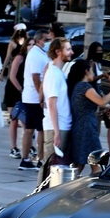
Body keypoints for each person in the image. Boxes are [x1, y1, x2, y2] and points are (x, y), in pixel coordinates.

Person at [67, 59, 110, 174]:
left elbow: (85, 108)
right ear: (86, 71)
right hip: (87, 129)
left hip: (82, 127)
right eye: (92, 70)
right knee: (96, 164)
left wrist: (102, 113)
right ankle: (90, 190)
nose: (93, 73)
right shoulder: (84, 86)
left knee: (80, 164)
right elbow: (102, 102)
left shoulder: (78, 86)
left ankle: (66, 188)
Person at [39, 37, 74, 183]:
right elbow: (52, 104)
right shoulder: (53, 73)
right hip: (57, 127)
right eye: (68, 49)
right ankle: (40, 198)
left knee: (57, 167)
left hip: (61, 125)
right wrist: (57, 132)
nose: (71, 52)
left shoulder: (58, 72)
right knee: (50, 167)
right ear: (58, 52)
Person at [20, 29, 52, 170]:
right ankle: (40, 159)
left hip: (30, 96)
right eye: (46, 40)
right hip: (34, 97)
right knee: (40, 129)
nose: (48, 43)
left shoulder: (38, 53)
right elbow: (35, 77)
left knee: (30, 129)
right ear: (39, 40)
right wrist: (42, 96)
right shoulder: (36, 55)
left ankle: (26, 159)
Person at [7, 37, 35, 159]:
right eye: (29, 45)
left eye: (33, 45)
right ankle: (14, 148)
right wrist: (20, 90)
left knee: (25, 121)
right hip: (14, 91)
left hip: (26, 92)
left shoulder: (33, 59)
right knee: (14, 120)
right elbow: (12, 76)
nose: (31, 47)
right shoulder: (20, 57)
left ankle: (29, 146)